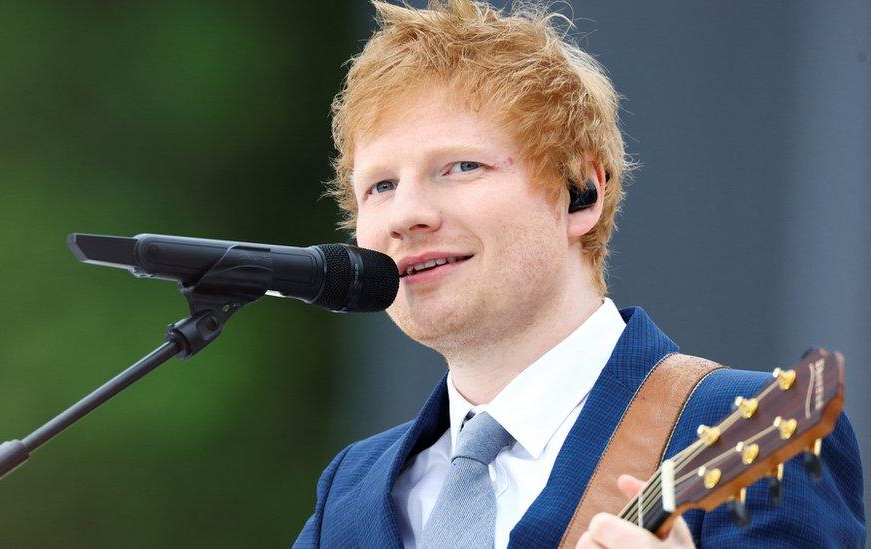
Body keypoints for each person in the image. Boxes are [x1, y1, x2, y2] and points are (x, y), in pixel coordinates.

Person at [294, 1, 866, 547]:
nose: (406, 216)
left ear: (580, 194)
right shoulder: (352, 490)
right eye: (381, 186)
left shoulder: (756, 430)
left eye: (461, 167)